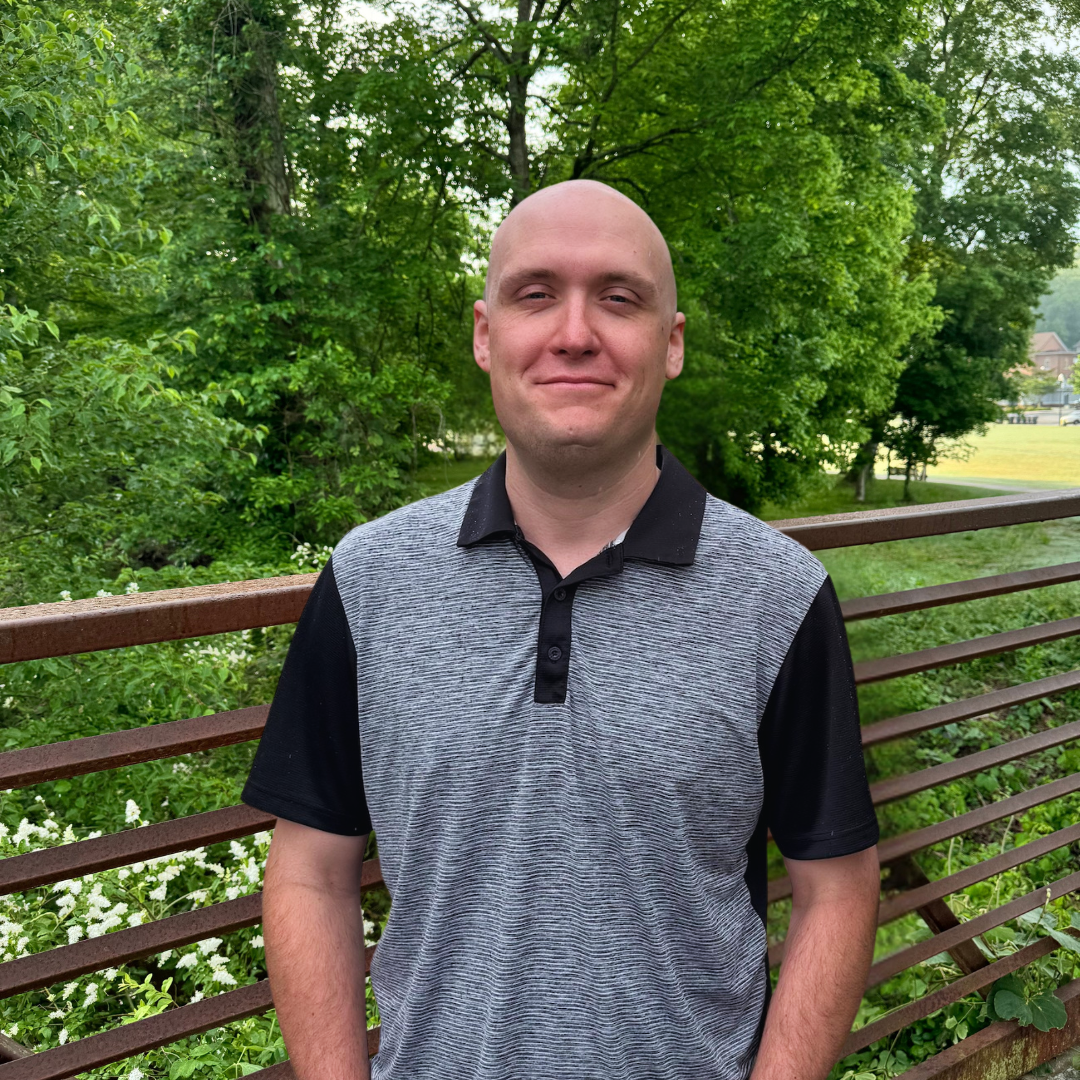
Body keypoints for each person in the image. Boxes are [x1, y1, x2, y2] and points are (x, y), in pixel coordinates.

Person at [242, 179, 881, 1080]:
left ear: (671, 343)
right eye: (535, 293)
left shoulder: (778, 596)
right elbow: (310, 872)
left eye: (619, 298)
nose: (575, 332)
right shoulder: (369, 580)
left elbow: (837, 887)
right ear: (484, 332)